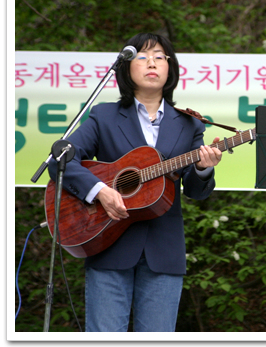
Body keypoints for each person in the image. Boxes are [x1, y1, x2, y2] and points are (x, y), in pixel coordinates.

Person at [48, 33, 222, 332]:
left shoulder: (190, 123)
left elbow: (194, 191)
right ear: (127, 69)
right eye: (142, 56)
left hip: (164, 249)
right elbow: (60, 161)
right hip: (107, 241)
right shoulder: (104, 116)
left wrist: (204, 169)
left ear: (170, 68)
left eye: (159, 56)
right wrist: (100, 191)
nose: (151, 62)